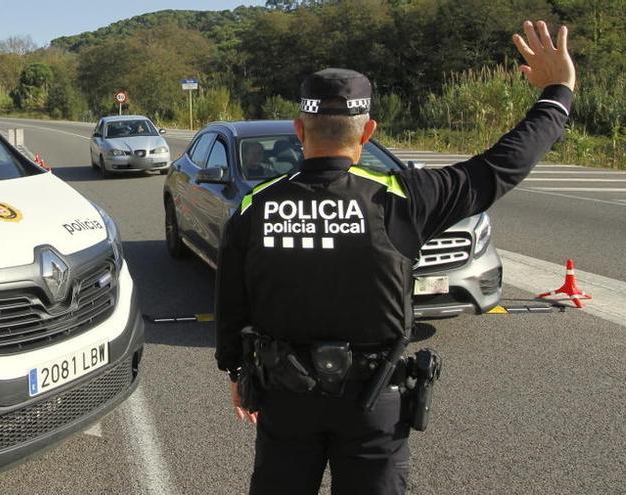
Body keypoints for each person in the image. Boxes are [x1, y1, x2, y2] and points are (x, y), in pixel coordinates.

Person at [215, 20, 575, 495]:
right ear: (368, 131)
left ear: (299, 129)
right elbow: (503, 165)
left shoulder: (254, 204)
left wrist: (237, 370)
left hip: (285, 394)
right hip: (374, 396)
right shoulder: (405, 195)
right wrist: (558, 90)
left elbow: (231, 300)